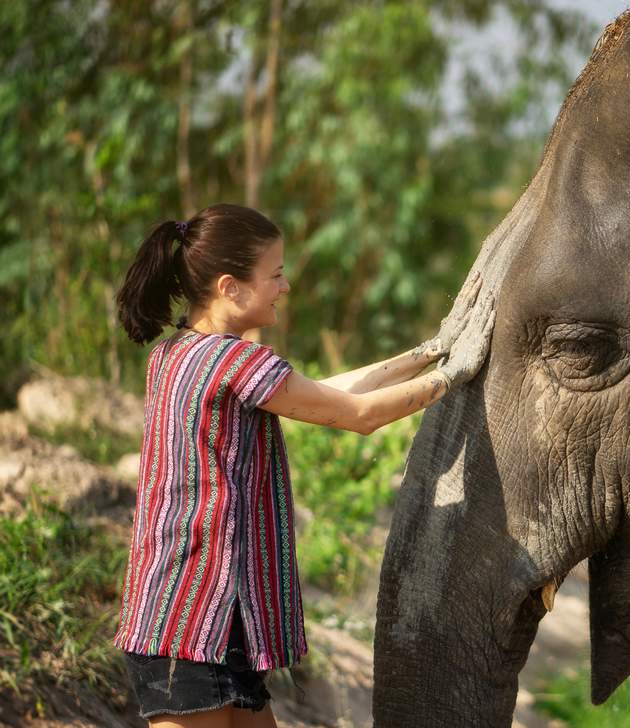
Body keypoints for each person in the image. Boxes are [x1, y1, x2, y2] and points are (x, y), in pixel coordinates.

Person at [110, 203, 492, 728]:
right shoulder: (234, 360)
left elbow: (327, 394)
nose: (285, 287)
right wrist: (458, 372)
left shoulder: (177, 355)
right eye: (276, 275)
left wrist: (430, 352)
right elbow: (357, 415)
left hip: (207, 621)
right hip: (190, 621)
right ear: (230, 288)